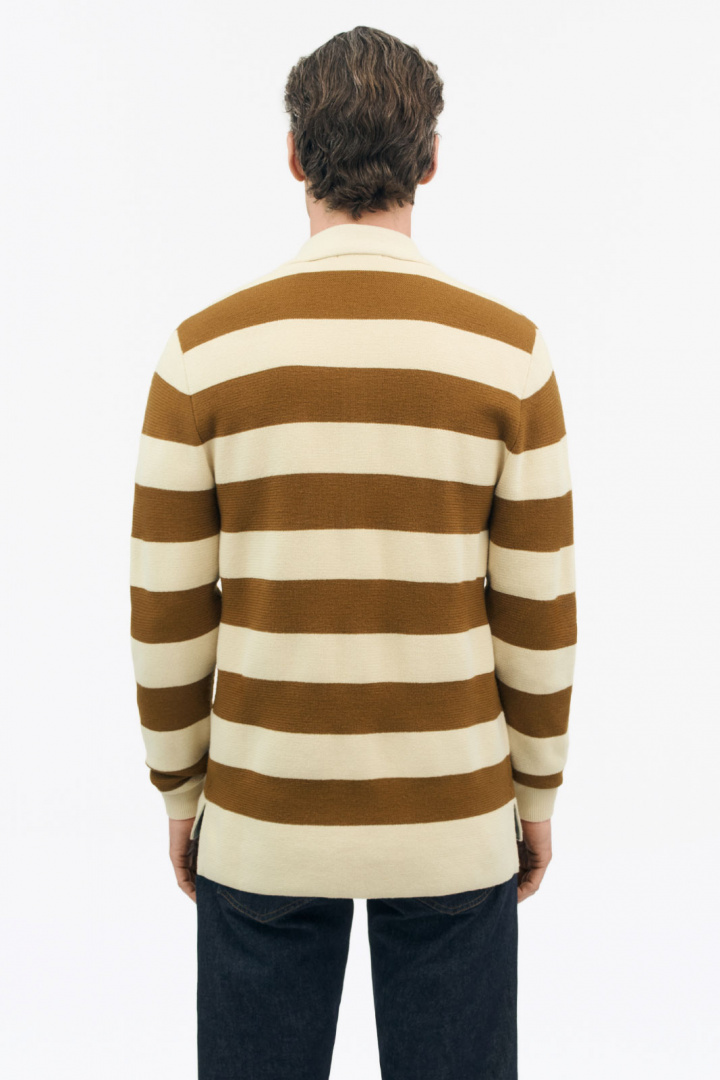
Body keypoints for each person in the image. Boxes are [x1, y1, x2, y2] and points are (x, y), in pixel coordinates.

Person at [129, 24, 576, 1080]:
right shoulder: (509, 357)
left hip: (263, 813)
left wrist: (181, 793)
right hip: (454, 817)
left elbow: (167, 612)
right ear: (430, 160)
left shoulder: (202, 358)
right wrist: (536, 796)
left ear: (295, 156)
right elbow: (537, 616)